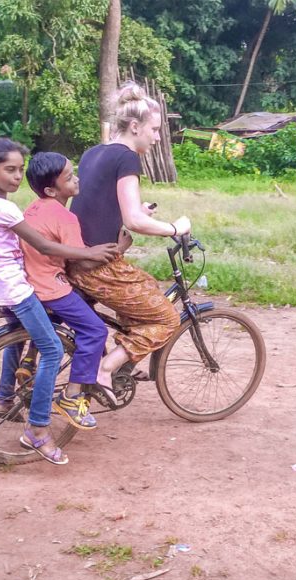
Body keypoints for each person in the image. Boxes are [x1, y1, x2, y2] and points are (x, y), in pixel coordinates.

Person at [0, 138, 117, 465]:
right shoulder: (3, 207)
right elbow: (44, 245)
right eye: (9, 170)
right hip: (16, 287)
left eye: (19, 170)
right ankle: (39, 428)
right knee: (53, 349)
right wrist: (90, 252)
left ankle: (5, 398)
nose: (17, 177)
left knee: (19, 335)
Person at [69, 81, 190, 391]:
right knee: (166, 318)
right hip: (97, 265)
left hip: (76, 256)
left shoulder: (94, 152)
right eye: (154, 129)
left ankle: (126, 361)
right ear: (135, 126)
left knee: (145, 287)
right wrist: (175, 228)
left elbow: (98, 203)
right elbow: (133, 220)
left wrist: (136, 212)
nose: (158, 137)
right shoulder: (127, 158)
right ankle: (106, 368)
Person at [19, 152, 130, 430]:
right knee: (95, 330)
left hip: (28, 283)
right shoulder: (64, 216)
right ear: (51, 189)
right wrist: (121, 248)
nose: (77, 179)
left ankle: (26, 365)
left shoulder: (34, 208)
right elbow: (83, 258)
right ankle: (72, 396)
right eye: (69, 177)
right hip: (50, 286)